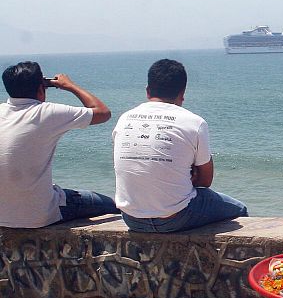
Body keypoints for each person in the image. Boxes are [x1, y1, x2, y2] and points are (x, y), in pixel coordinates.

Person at [112, 58, 247, 232]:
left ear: (147, 91)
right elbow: (205, 181)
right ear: (182, 92)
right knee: (239, 209)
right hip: (176, 217)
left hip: (131, 218)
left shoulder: (124, 119)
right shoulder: (194, 122)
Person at [0, 61, 118, 228]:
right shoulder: (47, 112)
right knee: (113, 205)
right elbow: (103, 113)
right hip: (40, 215)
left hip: (2, 215)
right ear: (41, 89)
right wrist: (69, 86)